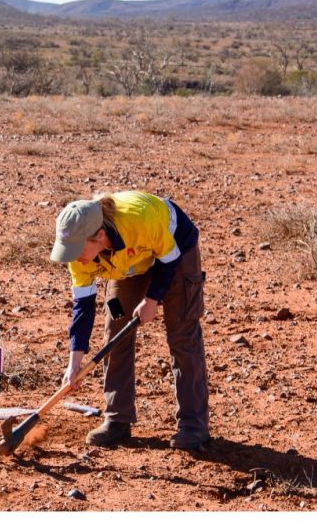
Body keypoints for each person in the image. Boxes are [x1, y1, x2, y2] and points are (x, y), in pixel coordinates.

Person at [49, 190, 211, 450]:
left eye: (77, 249)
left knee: (182, 332)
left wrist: (152, 299)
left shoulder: (140, 220)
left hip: (174, 252)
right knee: (116, 327)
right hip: (126, 267)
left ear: (99, 235)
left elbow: (169, 259)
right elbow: (83, 307)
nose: (73, 257)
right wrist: (74, 363)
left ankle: (193, 425)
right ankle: (117, 419)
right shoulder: (80, 257)